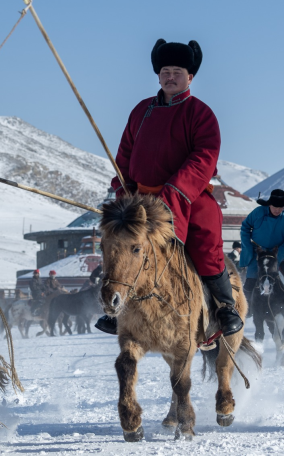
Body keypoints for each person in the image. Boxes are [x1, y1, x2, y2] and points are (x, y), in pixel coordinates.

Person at [95, 40, 242, 337]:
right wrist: (124, 190)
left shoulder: (201, 114)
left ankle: (224, 306)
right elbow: (125, 153)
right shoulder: (141, 111)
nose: (171, 76)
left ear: (190, 77)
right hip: (141, 199)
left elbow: (204, 157)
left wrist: (173, 193)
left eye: (177, 71)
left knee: (206, 244)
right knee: (121, 245)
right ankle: (117, 308)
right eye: (165, 71)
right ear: (158, 75)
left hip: (188, 197)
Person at [240, 189, 284, 315]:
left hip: (279, 255)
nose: (277, 210)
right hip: (259, 254)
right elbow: (245, 228)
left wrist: (278, 255)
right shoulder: (258, 213)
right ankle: (243, 308)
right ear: (269, 204)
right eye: (275, 206)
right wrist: (248, 247)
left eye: (281, 207)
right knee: (250, 280)